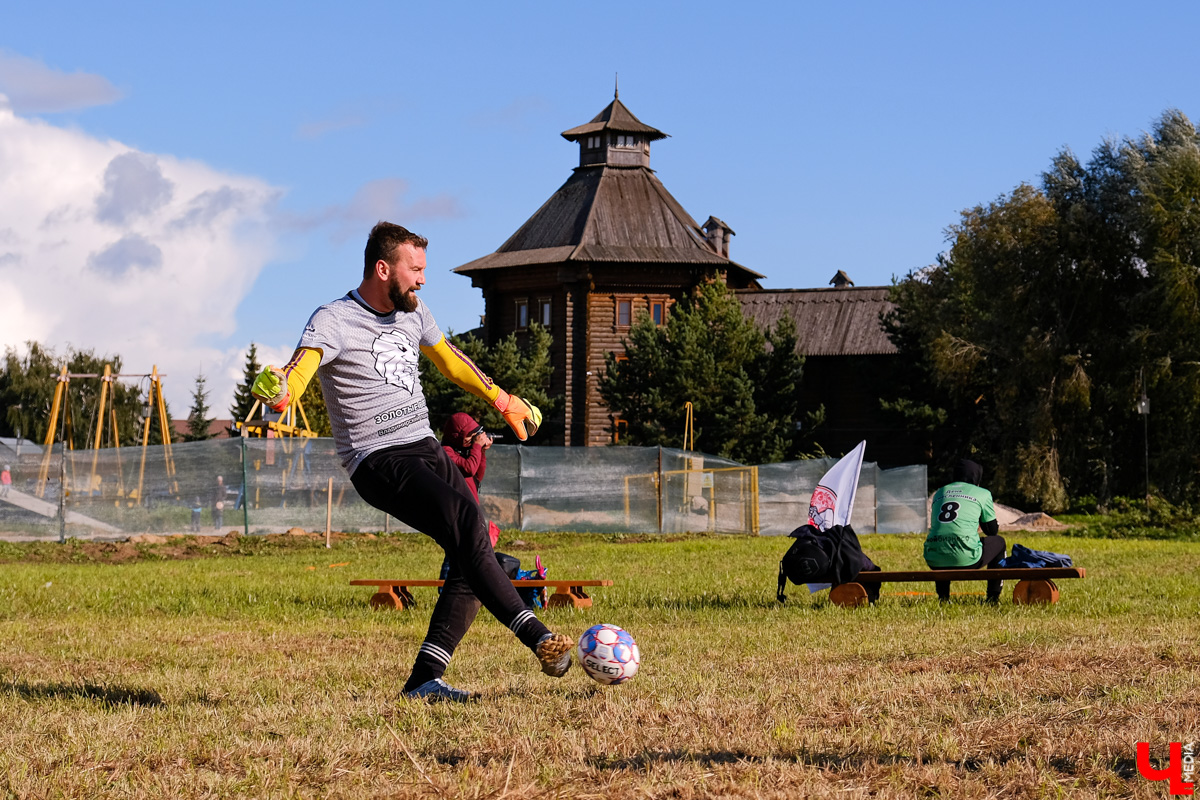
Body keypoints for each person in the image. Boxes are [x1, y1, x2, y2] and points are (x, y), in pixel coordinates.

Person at [250, 221, 573, 703]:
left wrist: (504, 401)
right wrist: (280, 391)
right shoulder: (333, 319)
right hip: (378, 458)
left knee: (475, 543)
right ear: (384, 268)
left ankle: (424, 681)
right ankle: (540, 639)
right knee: (467, 523)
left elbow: (451, 361)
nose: (422, 280)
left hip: (423, 447)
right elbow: (300, 372)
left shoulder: (413, 311)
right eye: (415, 269)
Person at [924, 458, 1006, 603]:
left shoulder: (940, 492)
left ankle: (943, 597)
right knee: (999, 542)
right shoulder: (982, 493)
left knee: (944, 541)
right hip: (966, 558)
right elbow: (992, 531)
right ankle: (993, 598)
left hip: (933, 557)